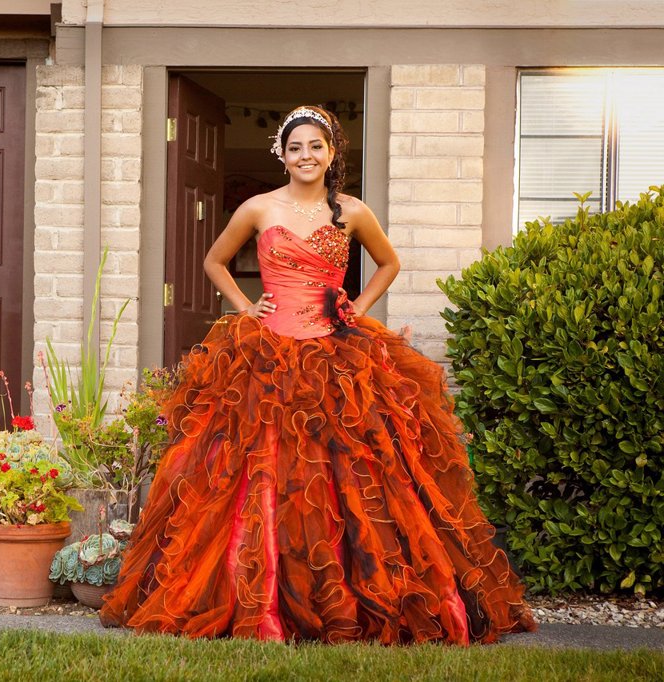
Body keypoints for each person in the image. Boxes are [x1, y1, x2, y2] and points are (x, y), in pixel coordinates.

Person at [99, 105, 536, 644]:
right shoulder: (258, 208)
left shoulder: (350, 211)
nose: (307, 155)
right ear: (281, 154)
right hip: (266, 354)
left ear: (332, 154)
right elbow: (214, 260)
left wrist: (358, 305)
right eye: (297, 147)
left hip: (336, 352)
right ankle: (259, 600)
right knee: (257, 470)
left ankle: (354, 595)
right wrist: (243, 306)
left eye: (317, 147)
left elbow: (389, 263)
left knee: (353, 472)